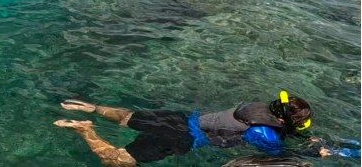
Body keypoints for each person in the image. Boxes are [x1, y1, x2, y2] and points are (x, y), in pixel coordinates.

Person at [52, 91, 341, 166]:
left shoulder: (254, 108)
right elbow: (278, 154)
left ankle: (92, 108)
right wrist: (315, 153)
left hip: (179, 118)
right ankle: (85, 130)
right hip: (183, 137)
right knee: (116, 161)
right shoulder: (261, 132)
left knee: (128, 117)